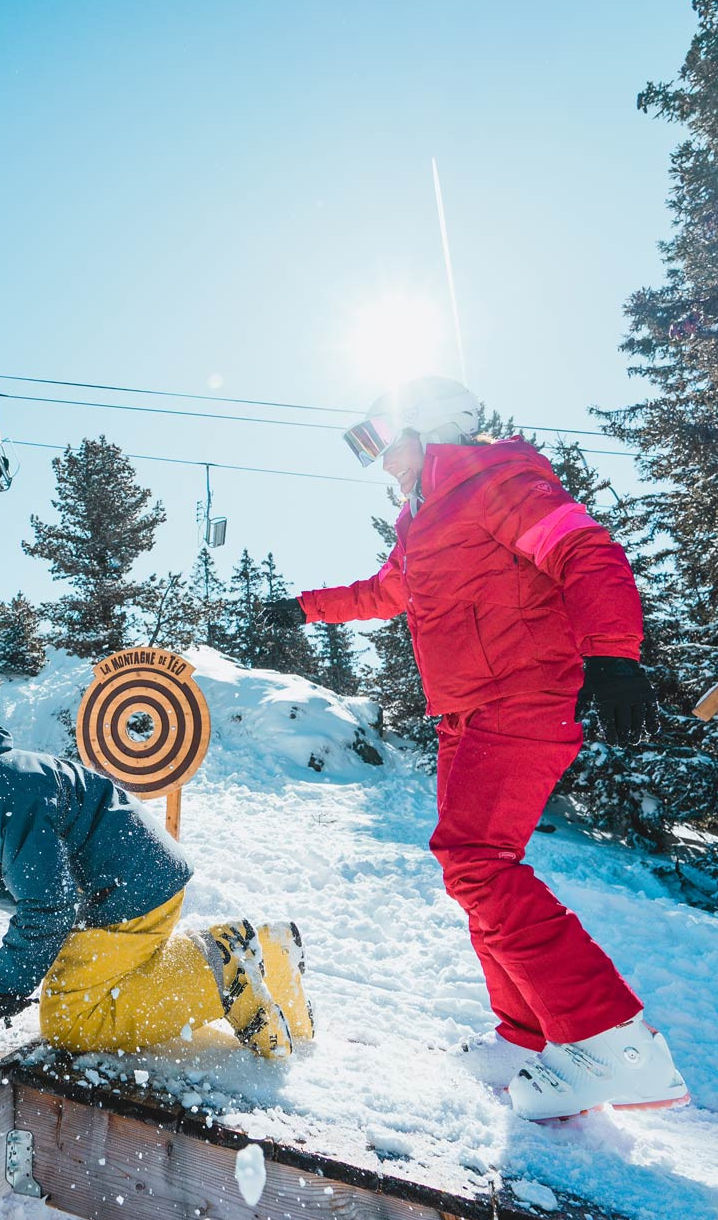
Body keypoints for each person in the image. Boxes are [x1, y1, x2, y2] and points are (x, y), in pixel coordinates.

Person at [264, 375, 687, 1121]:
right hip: (466, 714)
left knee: (478, 863)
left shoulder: (491, 482)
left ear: (424, 429)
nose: (380, 463)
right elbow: (384, 593)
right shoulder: (422, 522)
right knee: (477, 864)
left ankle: (614, 1042)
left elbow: (583, 550)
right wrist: (304, 610)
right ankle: (527, 1036)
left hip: (522, 696)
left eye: (380, 443)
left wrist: (615, 654)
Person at [0, 714, 314, 1058]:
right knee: (79, 995)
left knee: (72, 1021)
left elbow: (49, 906)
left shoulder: (3, 792)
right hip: (122, 889)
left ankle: (221, 967)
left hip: (128, 893)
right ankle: (269, 955)